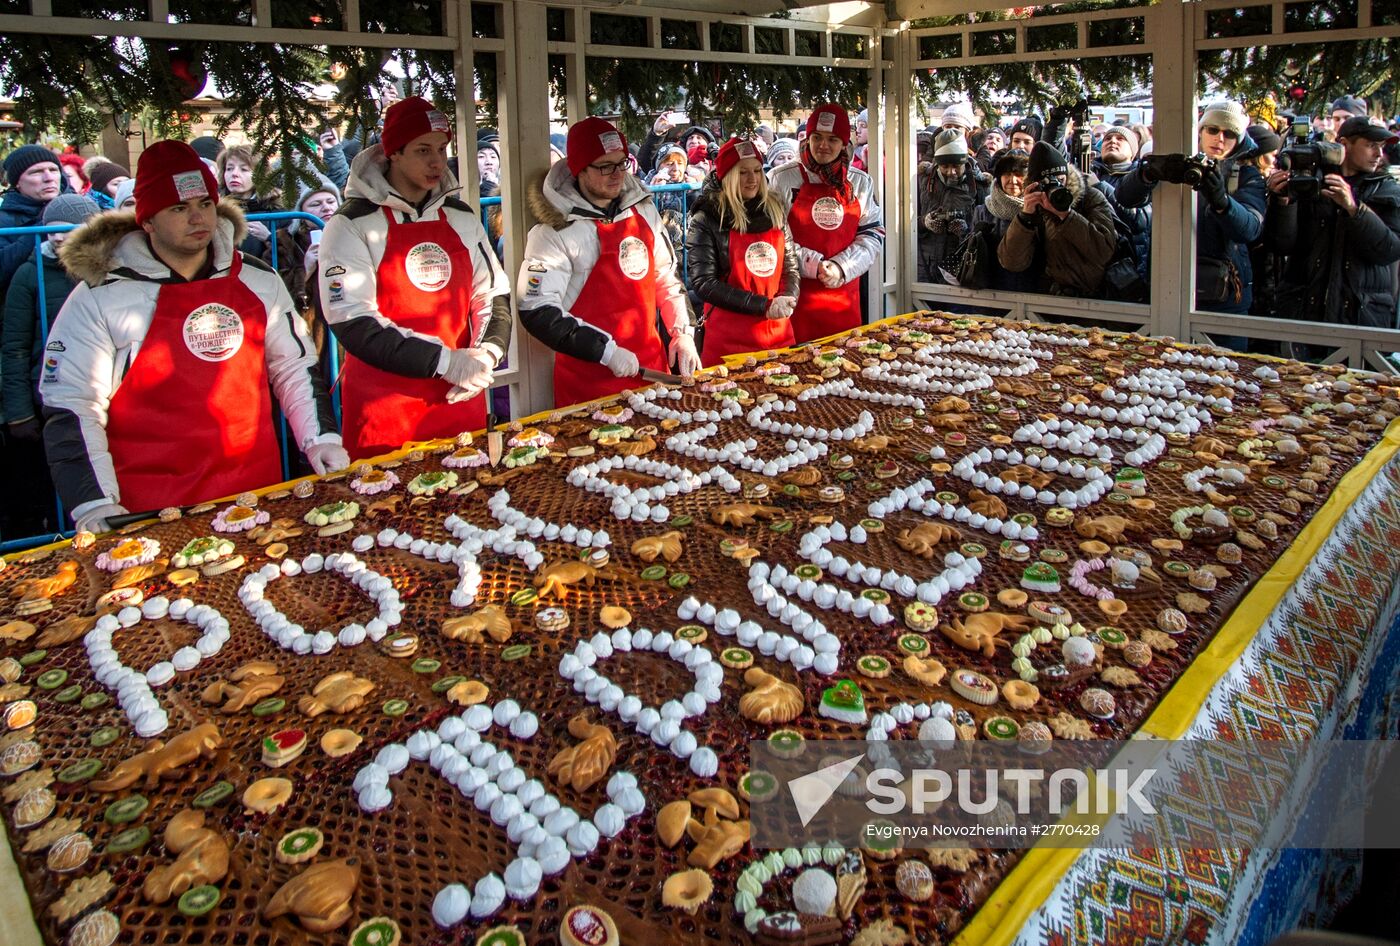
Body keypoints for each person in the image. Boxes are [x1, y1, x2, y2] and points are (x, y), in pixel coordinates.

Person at [38, 140, 347, 534]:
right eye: (179, 208)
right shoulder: (100, 297)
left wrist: (320, 439)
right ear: (147, 220)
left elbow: (293, 366)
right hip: (147, 511)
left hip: (256, 494)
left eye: (204, 203)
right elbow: (73, 405)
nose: (198, 218)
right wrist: (95, 503)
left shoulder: (256, 278)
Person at [317, 96, 513, 459]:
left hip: (459, 401)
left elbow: (493, 294)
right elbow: (353, 322)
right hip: (386, 410)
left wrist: (486, 353)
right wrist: (448, 362)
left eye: (441, 148)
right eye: (423, 150)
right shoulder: (350, 224)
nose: (437, 161)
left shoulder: (460, 216)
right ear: (393, 152)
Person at [517, 116, 700, 406]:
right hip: (587, 387)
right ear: (578, 169)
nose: (617, 174)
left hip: (651, 372)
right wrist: (605, 351)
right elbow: (536, 308)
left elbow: (665, 278)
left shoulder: (643, 212)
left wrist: (682, 333)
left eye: (621, 163)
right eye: (605, 166)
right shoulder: (552, 232)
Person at [1118, 100, 1267, 334]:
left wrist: (1222, 202)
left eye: (1229, 133)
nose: (1219, 139)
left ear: (1239, 139)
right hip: (1163, 287)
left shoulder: (1246, 175)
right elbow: (1125, 197)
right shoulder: (1178, 162)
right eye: (1213, 130)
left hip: (1223, 299)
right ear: (1200, 130)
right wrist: (1146, 174)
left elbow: (1249, 229)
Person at [1, 193, 99, 538]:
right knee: (53, 483)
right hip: (46, 394)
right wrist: (18, 412)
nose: (64, 238)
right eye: (56, 230)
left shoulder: (108, 272)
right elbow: (13, 345)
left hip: (99, 389)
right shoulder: (31, 275)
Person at [1267, 117, 1400, 345]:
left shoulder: (1387, 188)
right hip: (1303, 314)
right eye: (1370, 145)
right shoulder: (1311, 180)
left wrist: (1354, 209)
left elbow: (1389, 250)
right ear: (1343, 144)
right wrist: (1282, 202)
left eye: (1382, 146)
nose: (1378, 153)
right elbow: (1281, 244)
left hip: (1361, 319)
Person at [768, 104, 884, 343]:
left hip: (843, 297)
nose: (823, 145)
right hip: (795, 298)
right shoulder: (782, 177)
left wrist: (842, 267)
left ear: (844, 143)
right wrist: (813, 264)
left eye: (832, 139)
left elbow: (873, 233)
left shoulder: (860, 182)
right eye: (817, 137)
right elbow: (772, 236)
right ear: (807, 139)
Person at [686, 138, 800, 365]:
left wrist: (789, 297)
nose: (753, 179)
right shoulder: (707, 217)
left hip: (778, 335)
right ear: (727, 176)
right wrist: (763, 306)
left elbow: (790, 267)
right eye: (743, 172)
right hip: (729, 342)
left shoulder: (774, 210)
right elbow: (704, 283)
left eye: (757, 170)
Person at [996, 141, 1117, 296]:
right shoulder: (1033, 207)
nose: (1056, 186)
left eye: (1060, 180)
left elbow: (1104, 251)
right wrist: (1025, 216)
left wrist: (1065, 215)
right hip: (1048, 299)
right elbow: (1011, 262)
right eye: (1047, 183)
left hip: (1092, 297)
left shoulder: (1089, 198)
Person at [917, 129, 989, 284]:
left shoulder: (979, 186)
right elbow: (903, 224)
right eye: (944, 166)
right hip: (925, 268)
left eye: (957, 165)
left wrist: (966, 231)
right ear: (937, 164)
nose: (951, 172)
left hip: (962, 270)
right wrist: (925, 222)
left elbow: (987, 230)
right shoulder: (922, 181)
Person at [1, 145, 68, 300]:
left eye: (53, 170)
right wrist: (43, 226)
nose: (48, 178)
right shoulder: (4, 219)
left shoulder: (82, 207)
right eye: (36, 172)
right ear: (17, 182)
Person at [970, 149, 1039, 293]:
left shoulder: (1039, 210)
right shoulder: (983, 210)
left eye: (1019, 175)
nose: (1012, 180)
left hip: (1030, 290)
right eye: (1007, 174)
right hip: (990, 291)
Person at [1089, 124, 1151, 283]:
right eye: (1107, 138)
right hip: (1092, 262)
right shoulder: (1090, 172)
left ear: (1133, 151)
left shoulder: (1142, 178)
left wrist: (1099, 187)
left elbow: (1140, 221)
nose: (1112, 141)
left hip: (1125, 267)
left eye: (1120, 139)